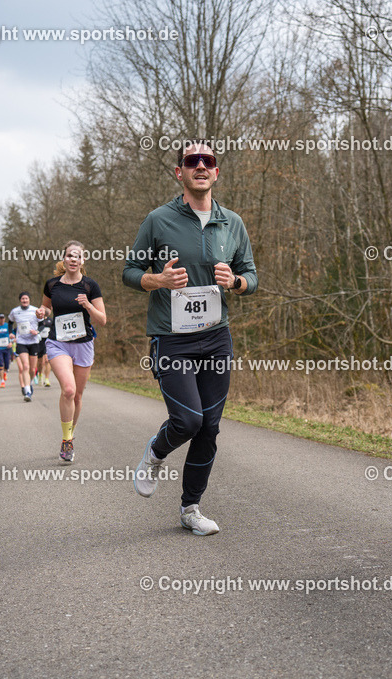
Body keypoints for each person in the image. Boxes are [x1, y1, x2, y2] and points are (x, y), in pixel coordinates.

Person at [124, 140, 257, 536]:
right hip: (171, 338)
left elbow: (252, 276)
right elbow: (130, 271)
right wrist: (157, 279)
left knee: (210, 427)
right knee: (187, 420)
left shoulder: (232, 223)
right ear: (179, 172)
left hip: (217, 338)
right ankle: (156, 451)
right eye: (191, 161)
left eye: (208, 161)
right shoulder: (158, 220)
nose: (200, 165)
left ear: (216, 172)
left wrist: (234, 281)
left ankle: (190, 508)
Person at [36, 241, 105, 463]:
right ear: (63, 260)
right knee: (68, 389)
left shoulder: (90, 286)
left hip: (84, 344)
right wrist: (42, 311)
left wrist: (87, 305)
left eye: (77, 256)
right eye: (69, 256)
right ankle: (67, 440)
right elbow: (47, 307)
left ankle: (70, 435)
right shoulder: (52, 284)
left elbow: (102, 320)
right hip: (58, 343)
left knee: (77, 395)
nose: (73, 259)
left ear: (83, 261)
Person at [9, 293, 40, 402]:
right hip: (21, 342)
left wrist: (37, 331)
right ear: (20, 300)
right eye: (23, 298)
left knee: (32, 369)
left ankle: (30, 382)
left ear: (29, 300)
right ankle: (27, 391)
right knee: (25, 366)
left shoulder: (35, 310)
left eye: (26, 298)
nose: (24, 300)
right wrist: (11, 333)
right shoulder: (15, 311)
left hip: (34, 341)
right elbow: (10, 322)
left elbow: (42, 323)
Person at [36, 315, 53, 387]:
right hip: (39, 342)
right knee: (40, 362)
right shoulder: (37, 320)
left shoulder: (51, 320)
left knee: (47, 360)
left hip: (48, 341)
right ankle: (40, 374)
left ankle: (47, 379)